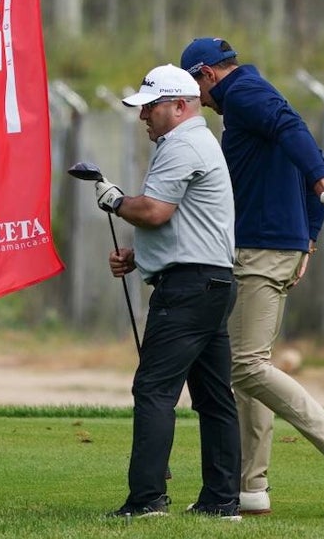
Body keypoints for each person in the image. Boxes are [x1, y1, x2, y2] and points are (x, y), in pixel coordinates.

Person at [179, 36, 324, 518]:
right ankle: (250, 486)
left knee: (243, 364)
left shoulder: (244, 93)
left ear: (207, 73)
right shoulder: (250, 97)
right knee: (247, 367)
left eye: (193, 85)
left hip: (259, 247)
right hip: (276, 244)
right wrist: (308, 233)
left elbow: (297, 136)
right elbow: (309, 149)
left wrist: (321, 192)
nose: (194, 99)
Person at [93, 63, 242, 520]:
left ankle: (147, 500)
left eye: (151, 107)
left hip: (189, 289)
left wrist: (115, 200)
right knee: (214, 397)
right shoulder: (196, 142)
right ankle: (221, 500)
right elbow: (186, 223)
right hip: (212, 283)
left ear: (180, 106)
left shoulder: (182, 144)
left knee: (154, 388)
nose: (144, 117)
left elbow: (155, 211)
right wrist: (142, 256)